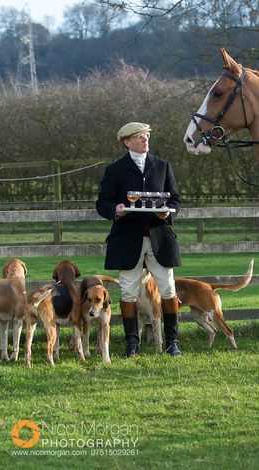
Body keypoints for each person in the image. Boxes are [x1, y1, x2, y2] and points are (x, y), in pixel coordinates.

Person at [96, 122, 182, 357]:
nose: (145, 139)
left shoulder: (163, 166)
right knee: (128, 293)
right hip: (127, 239)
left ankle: (172, 342)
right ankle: (132, 344)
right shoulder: (115, 170)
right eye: (139, 136)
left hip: (160, 238)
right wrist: (116, 209)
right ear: (126, 142)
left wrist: (168, 211)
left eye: (146, 136)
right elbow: (102, 203)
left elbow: (175, 199)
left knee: (168, 289)